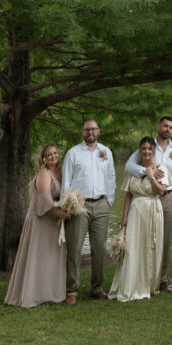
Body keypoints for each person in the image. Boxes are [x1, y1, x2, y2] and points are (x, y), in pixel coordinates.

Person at [4, 144, 69, 308]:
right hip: (40, 220)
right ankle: (33, 294)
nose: (53, 156)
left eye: (55, 153)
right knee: (38, 257)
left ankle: (49, 293)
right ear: (44, 159)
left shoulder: (60, 172)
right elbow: (46, 198)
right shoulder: (44, 174)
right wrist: (60, 213)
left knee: (51, 257)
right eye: (49, 155)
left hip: (52, 220)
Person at [125, 114, 172, 292]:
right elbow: (129, 166)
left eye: (171, 127)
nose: (168, 130)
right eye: (165, 126)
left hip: (168, 195)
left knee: (164, 238)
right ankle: (144, 277)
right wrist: (147, 171)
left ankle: (162, 279)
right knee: (147, 237)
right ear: (158, 126)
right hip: (149, 195)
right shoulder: (148, 145)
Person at [109, 137, 170, 302]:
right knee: (133, 248)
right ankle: (130, 284)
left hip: (153, 211)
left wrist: (151, 177)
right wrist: (124, 217)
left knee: (150, 247)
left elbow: (161, 192)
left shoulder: (160, 168)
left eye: (150, 149)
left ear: (153, 150)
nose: (147, 152)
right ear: (140, 150)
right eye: (144, 148)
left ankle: (148, 285)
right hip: (136, 212)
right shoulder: (133, 170)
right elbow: (128, 194)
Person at [62, 118, 115, 303]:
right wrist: (68, 207)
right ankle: (72, 290)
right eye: (87, 130)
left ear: (98, 131)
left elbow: (111, 179)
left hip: (101, 205)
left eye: (93, 129)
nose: (90, 132)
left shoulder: (106, 152)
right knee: (75, 248)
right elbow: (66, 182)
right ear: (82, 132)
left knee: (99, 248)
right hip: (78, 206)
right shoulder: (73, 153)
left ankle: (97, 288)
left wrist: (109, 201)